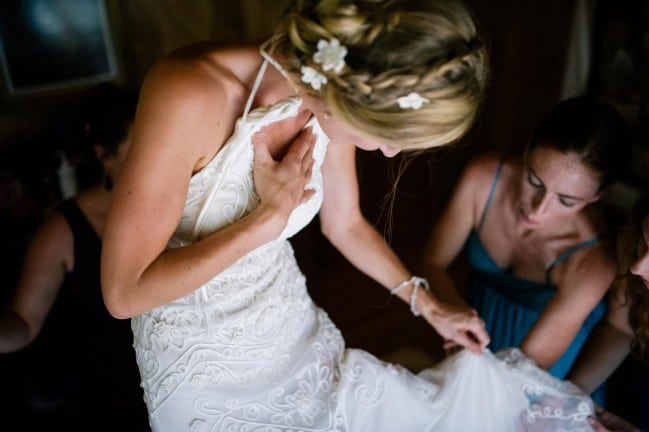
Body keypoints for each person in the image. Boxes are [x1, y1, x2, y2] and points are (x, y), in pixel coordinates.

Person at [101, 1, 605, 430]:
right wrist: (265, 221)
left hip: (291, 331)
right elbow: (124, 293)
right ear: (354, 97)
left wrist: (425, 303)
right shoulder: (190, 90)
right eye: (390, 138)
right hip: (202, 369)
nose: (386, 154)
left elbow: (344, 223)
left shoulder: (326, 102)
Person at [421, 96, 629, 381]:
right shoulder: (482, 178)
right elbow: (432, 262)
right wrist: (453, 313)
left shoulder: (594, 261)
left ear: (596, 198)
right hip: (472, 321)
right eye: (534, 180)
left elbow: (523, 372)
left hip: (541, 368)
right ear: (528, 147)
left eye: (566, 201)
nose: (538, 209)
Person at [0, 84, 150, 431]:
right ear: (104, 156)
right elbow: (24, 321)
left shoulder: (186, 205)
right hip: (112, 395)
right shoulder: (63, 229)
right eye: (140, 148)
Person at [568, 193, 649, 432]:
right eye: (645, 243)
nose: (638, 267)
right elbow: (620, 328)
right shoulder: (632, 250)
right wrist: (571, 392)